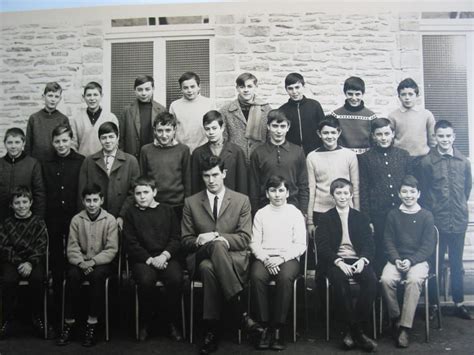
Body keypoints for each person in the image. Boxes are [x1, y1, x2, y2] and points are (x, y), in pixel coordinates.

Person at [181, 155, 260, 355]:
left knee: (209, 267)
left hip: (230, 259)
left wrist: (218, 236)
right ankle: (240, 312)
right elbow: (185, 241)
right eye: (206, 176)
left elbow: (244, 238)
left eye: (215, 175)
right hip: (200, 255)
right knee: (210, 253)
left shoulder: (241, 200)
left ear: (224, 174)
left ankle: (211, 331)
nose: (211, 180)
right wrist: (199, 239)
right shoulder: (191, 202)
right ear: (202, 176)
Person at [418, 120, 472, 320]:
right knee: (435, 265)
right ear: (435, 137)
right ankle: (433, 304)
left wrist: (457, 208)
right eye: (441, 136)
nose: (445, 140)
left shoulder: (463, 161)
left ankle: (459, 303)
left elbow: (466, 189)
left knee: (457, 264)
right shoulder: (427, 162)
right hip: (436, 222)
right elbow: (423, 193)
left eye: (448, 136)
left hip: (458, 220)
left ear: (454, 137)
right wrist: (434, 212)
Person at [316, 178, 377, 352]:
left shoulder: (360, 217)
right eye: (338, 193)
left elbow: (369, 243)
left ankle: (352, 330)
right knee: (340, 283)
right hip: (334, 261)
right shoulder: (326, 218)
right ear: (333, 195)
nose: (342, 197)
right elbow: (323, 246)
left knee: (371, 281)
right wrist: (338, 261)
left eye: (345, 193)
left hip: (357, 260)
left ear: (351, 195)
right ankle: (358, 333)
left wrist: (363, 259)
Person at [56, 184, 118, 347]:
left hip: (101, 262)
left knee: (98, 276)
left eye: (95, 200)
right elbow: (72, 246)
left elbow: (112, 249)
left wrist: (93, 261)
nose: (92, 204)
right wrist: (81, 262)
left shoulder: (109, 220)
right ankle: (69, 323)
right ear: (83, 201)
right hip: (80, 261)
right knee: (72, 275)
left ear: (101, 200)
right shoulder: (77, 219)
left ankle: (92, 323)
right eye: (88, 200)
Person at [249, 175, 306, 351]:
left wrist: (281, 258)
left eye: (281, 190)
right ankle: (264, 327)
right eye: (273, 190)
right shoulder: (261, 213)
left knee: (284, 278)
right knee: (257, 276)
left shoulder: (294, 213)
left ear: (287, 192)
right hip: (265, 257)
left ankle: (278, 328)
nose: (277, 195)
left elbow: (301, 244)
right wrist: (266, 259)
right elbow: (254, 243)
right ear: (267, 193)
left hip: (287, 258)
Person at [123, 176, 183, 342]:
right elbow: (130, 242)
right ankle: (145, 323)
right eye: (138, 193)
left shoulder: (168, 211)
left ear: (154, 192)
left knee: (175, 279)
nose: (142, 196)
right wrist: (150, 259)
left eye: (146, 192)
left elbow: (176, 238)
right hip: (143, 259)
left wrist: (164, 255)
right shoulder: (131, 214)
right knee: (145, 280)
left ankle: (173, 323)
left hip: (167, 257)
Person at [380, 175, 436, 348]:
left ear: (418, 194)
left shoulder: (426, 216)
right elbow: (388, 240)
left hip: (418, 260)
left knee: (413, 280)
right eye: (404, 191)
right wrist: (396, 259)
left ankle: (404, 328)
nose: (408, 195)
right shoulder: (393, 214)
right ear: (399, 194)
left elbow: (428, 247)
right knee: (386, 280)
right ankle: (396, 318)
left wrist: (411, 260)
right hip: (396, 259)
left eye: (412, 191)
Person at [42, 124, 85, 325]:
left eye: (65, 140)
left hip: (75, 219)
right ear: (52, 142)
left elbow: (82, 191)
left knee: (75, 265)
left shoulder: (81, 161)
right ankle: (58, 312)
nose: (61, 145)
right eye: (57, 141)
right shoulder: (45, 163)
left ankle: (78, 310)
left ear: (71, 140)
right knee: (57, 266)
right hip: (53, 220)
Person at [358, 118, 412, 274]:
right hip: (378, 214)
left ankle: (401, 289)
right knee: (381, 250)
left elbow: (410, 184)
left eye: (387, 133)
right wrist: (367, 219)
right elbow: (364, 189)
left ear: (393, 134)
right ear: (373, 136)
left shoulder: (403, 155)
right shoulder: (365, 158)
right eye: (379, 134)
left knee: (402, 248)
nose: (383, 138)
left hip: (401, 212)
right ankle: (381, 293)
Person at [0, 186, 48, 339]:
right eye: (17, 203)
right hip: (13, 261)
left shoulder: (38, 222)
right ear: (11, 205)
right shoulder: (6, 223)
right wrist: (20, 262)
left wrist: (30, 263)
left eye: (25, 202)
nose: (21, 206)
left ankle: (37, 316)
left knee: (38, 280)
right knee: (8, 281)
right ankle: (6, 318)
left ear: (31, 202)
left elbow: (42, 246)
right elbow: (3, 246)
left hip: (33, 261)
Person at [78, 121, 140, 228]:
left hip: (121, 216)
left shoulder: (130, 161)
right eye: (104, 138)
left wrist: (122, 215)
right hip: (95, 217)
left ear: (118, 137)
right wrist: (87, 217)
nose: (108, 141)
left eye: (111, 137)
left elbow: (134, 192)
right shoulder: (89, 161)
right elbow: (82, 191)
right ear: (99, 139)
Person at [249, 109, 308, 216]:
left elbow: (303, 184)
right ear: (268, 127)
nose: (279, 131)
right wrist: (255, 212)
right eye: (275, 126)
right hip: (265, 209)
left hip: (292, 208)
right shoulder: (258, 153)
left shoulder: (297, 152)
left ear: (288, 127)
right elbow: (254, 187)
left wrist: (303, 211)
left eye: (282, 126)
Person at [306, 117, 359, 235]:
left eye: (333, 132)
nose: (329, 136)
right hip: (321, 211)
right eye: (325, 133)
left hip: (345, 210)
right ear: (319, 134)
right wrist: (310, 221)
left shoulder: (349, 155)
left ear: (339, 133)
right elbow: (311, 189)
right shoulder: (312, 157)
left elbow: (355, 187)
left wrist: (356, 214)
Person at [139, 111, 191, 221]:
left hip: (177, 205)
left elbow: (187, 180)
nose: (164, 135)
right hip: (153, 204)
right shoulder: (146, 150)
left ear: (174, 130)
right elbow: (143, 179)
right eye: (160, 131)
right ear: (154, 131)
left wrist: (187, 204)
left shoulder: (183, 150)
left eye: (168, 130)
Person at [220, 72, 272, 163]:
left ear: (256, 87)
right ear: (237, 88)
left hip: (260, 160)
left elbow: (270, 138)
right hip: (235, 160)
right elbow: (223, 140)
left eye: (249, 86)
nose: (246, 90)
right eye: (242, 87)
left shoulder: (266, 109)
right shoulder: (226, 111)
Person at [191, 110, 247, 195]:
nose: (211, 132)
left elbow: (242, 184)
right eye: (207, 129)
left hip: (231, 201)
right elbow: (195, 185)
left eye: (214, 128)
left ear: (222, 128)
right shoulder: (198, 153)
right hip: (206, 202)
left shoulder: (236, 152)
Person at [0, 127, 45, 222]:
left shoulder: (33, 164)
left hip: (25, 218)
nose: (13, 146)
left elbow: (39, 193)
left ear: (23, 143)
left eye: (17, 142)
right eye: (9, 142)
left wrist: (37, 218)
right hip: (2, 217)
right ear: (4, 144)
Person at [119, 75, 166, 159]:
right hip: (132, 158)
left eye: (147, 89)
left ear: (153, 89)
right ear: (135, 90)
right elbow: (121, 139)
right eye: (140, 90)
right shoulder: (127, 111)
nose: (144, 93)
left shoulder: (161, 110)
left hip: (155, 157)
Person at [388, 78, 436, 159]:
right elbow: (389, 139)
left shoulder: (426, 114)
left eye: (410, 94)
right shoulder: (393, 116)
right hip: (400, 158)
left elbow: (433, 139)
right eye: (403, 94)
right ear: (399, 97)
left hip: (422, 158)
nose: (407, 98)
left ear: (417, 96)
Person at [278, 72, 325, 155]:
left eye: (297, 87)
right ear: (286, 89)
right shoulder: (282, 110)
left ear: (303, 86)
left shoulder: (315, 105)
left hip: (314, 152)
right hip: (291, 154)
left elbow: (323, 128)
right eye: (290, 88)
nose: (294, 91)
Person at [169, 71, 216, 153]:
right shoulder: (175, 105)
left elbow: (214, 127)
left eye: (192, 86)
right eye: (185, 88)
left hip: (204, 150)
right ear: (181, 89)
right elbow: (171, 129)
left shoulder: (209, 104)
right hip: (181, 151)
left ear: (199, 87)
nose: (189, 90)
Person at [70, 81, 119, 156]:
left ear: (101, 96)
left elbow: (115, 143)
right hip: (83, 162)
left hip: (104, 162)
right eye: (89, 95)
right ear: (84, 97)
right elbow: (73, 144)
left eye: (95, 95)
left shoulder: (111, 118)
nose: (92, 98)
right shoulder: (76, 119)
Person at [330, 76, 377, 154]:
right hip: (342, 156)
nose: (354, 98)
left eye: (357, 94)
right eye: (350, 94)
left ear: (363, 94)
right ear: (345, 93)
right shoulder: (335, 115)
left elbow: (375, 140)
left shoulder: (371, 116)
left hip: (365, 157)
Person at [25, 81, 70, 162]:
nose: (53, 99)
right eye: (50, 96)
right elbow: (28, 145)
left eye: (56, 96)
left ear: (60, 99)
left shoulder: (63, 119)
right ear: (43, 97)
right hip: (37, 163)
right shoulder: (34, 118)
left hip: (56, 164)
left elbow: (67, 144)